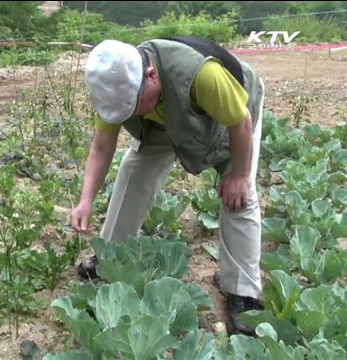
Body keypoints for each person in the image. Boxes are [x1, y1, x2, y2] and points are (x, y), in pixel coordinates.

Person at [70, 36, 265, 336]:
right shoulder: (116, 88)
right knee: (135, 166)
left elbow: (240, 122)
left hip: (234, 113)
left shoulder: (202, 75)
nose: (131, 114)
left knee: (238, 195)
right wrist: (85, 201)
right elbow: (101, 148)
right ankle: (111, 256)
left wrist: (238, 175)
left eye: (133, 106)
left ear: (150, 76)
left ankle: (244, 292)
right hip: (164, 118)